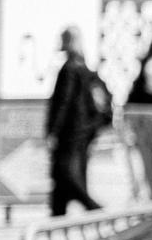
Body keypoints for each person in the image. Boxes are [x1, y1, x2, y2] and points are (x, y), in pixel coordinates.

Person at [46, 27, 108, 216]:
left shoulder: (70, 69)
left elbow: (64, 102)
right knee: (63, 176)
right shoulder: (84, 67)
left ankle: (93, 207)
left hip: (70, 131)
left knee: (66, 173)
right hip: (83, 130)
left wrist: (53, 131)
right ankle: (58, 215)